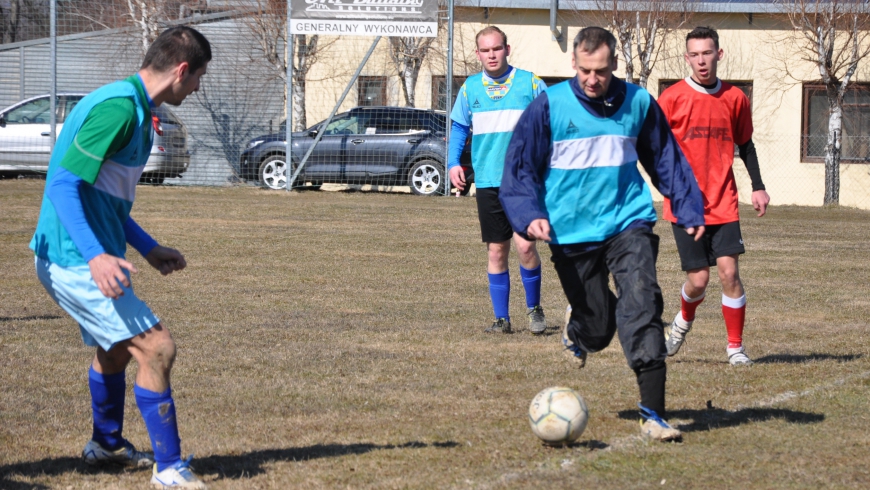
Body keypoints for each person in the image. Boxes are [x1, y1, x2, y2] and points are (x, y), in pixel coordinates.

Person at [499, 27, 706, 441]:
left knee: (642, 302)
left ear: (614, 65)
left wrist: (684, 204)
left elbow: (665, 156)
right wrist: (529, 214)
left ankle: (654, 415)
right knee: (598, 329)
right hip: (570, 232)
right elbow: (520, 167)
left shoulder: (639, 102)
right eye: (585, 70)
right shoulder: (548, 107)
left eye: (602, 71)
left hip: (627, 221)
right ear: (573, 63)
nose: (593, 79)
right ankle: (578, 328)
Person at [30, 26, 211, 489]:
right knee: (157, 347)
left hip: (85, 254)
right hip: (72, 258)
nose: (197, 89)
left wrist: (148, 248)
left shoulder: (137, 111)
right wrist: (95, 257)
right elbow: (62, 185)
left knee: (115, 348)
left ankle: (106, 445)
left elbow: (106, 201)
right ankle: (169, 468)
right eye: (198, 78)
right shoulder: (115, 109)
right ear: (181, 70)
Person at [658, 26, 770, 366]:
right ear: (687, 58)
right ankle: (681, 324)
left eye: (707, 53)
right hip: (685, 205)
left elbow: (745, 144)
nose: (701, 60)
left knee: (728, 273)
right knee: (698, 280)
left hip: (724, 201)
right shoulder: (672, 98)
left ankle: (735, 348)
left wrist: (758, 185)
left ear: (719, 54)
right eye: (694, 54)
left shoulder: (735, 98)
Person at [447, 26, 549, 335]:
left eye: (497, 48)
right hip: (489, 180)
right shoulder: (470, 88)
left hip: (523, 180)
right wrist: (453, 163)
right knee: (496, 250)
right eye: (485, 50)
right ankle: (501, 319)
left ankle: (534, 309)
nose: (492, 54)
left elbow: (550, 124)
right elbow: (460, 127)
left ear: (507, 49)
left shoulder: (531, 83)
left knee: (525, 247)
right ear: (477, 54)